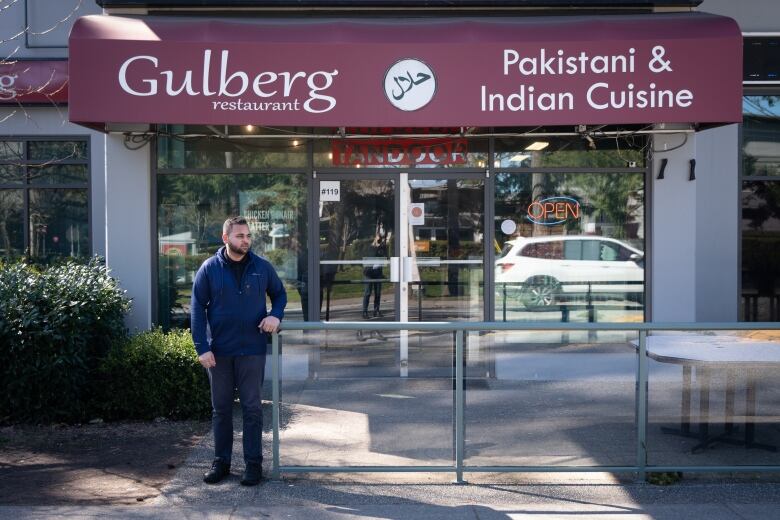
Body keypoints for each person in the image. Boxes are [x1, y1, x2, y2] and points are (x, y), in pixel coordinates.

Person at [191, 216, 287, 486]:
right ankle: (221, 463)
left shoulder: (262, 267)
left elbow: (279, 294)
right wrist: (202, 347)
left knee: (252, 409)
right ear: (226, 238)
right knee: (220, 410)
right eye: (239, 236)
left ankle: (253, 465)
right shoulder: (209, 269)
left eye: (247, 236)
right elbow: (197, 307)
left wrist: (275, 316)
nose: (245, 240)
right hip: (219, 352)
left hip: (252, 350)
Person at [361, 232, 387, 319]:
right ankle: (364, 311)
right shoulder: (369, 247)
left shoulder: (382, 247)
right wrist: (375, 245)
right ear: (375, 238)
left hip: (378, 273)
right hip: (369, 273)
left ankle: (376, 310)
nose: (379, 240)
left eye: (381, 239)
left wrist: (382, 246)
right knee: (367, 292)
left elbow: (385, 258)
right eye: (378, 238)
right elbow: (371, 256)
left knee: (378, 293)